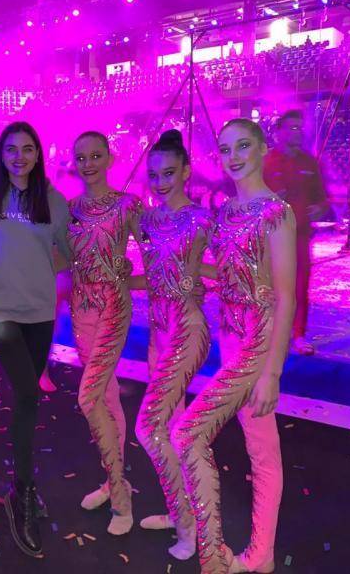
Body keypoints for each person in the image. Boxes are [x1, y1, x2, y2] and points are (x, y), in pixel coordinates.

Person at [172, 118, 295, 573]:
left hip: (257, 344)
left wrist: (272, 373)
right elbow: (230, 275)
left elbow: (285, 297)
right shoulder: (224, 211)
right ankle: (262, 555)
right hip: (230, 336)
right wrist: (188, 272)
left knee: (187, 433)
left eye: (243, 146)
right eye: (225, 149)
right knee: (261, 447)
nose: (234, 157)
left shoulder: (276, 212)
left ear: (262, 148)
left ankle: (215, 553)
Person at [0, 121, 71, 557]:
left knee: (27, 399)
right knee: (28, 392)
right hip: (0, 310)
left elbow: (70, 252)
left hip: (40, 312)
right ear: (1, 154)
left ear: (37, 154)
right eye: (11, 149)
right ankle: (23, 491)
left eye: (27, 149)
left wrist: (49, 270)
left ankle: (20, 486)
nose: (19, 156)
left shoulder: (52, 200)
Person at [128, 130, 215, 560]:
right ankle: (179, 508)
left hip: (188, 329)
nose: (160, 182)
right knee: (169, 425)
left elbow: (227, 268)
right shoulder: (147, 221)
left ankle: (188, 523)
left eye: (168, 173)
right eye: (154, 174)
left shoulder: (201, 220)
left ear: (185, 172)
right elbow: (153, 276)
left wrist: (199, 282)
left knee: (148, 426)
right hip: (157, 334)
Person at [66, 131, 142, 535]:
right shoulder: (70, 209)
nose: (89, 164)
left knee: (89, 395)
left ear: (109, 158)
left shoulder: (127, 205)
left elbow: (157, 251)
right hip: (81, 311)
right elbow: (63, 258)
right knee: (106, 397)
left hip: (113, 306)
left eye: (96, 156)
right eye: (81, 158)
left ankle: (120, 496)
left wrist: (134, 276)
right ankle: (114, 481)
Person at [263, 109, 328, 355]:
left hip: (300, 236)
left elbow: (322, 199)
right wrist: (270, 201)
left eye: (300, 128)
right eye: (292, 128)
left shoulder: (309, 163)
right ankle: (269, 332)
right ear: (278, 132)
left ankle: (298, 335)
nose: (298, 132)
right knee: (270, 287)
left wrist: (319, 209)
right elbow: (250, 199)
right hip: (272, 237)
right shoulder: (265, 163)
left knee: (300, 286)